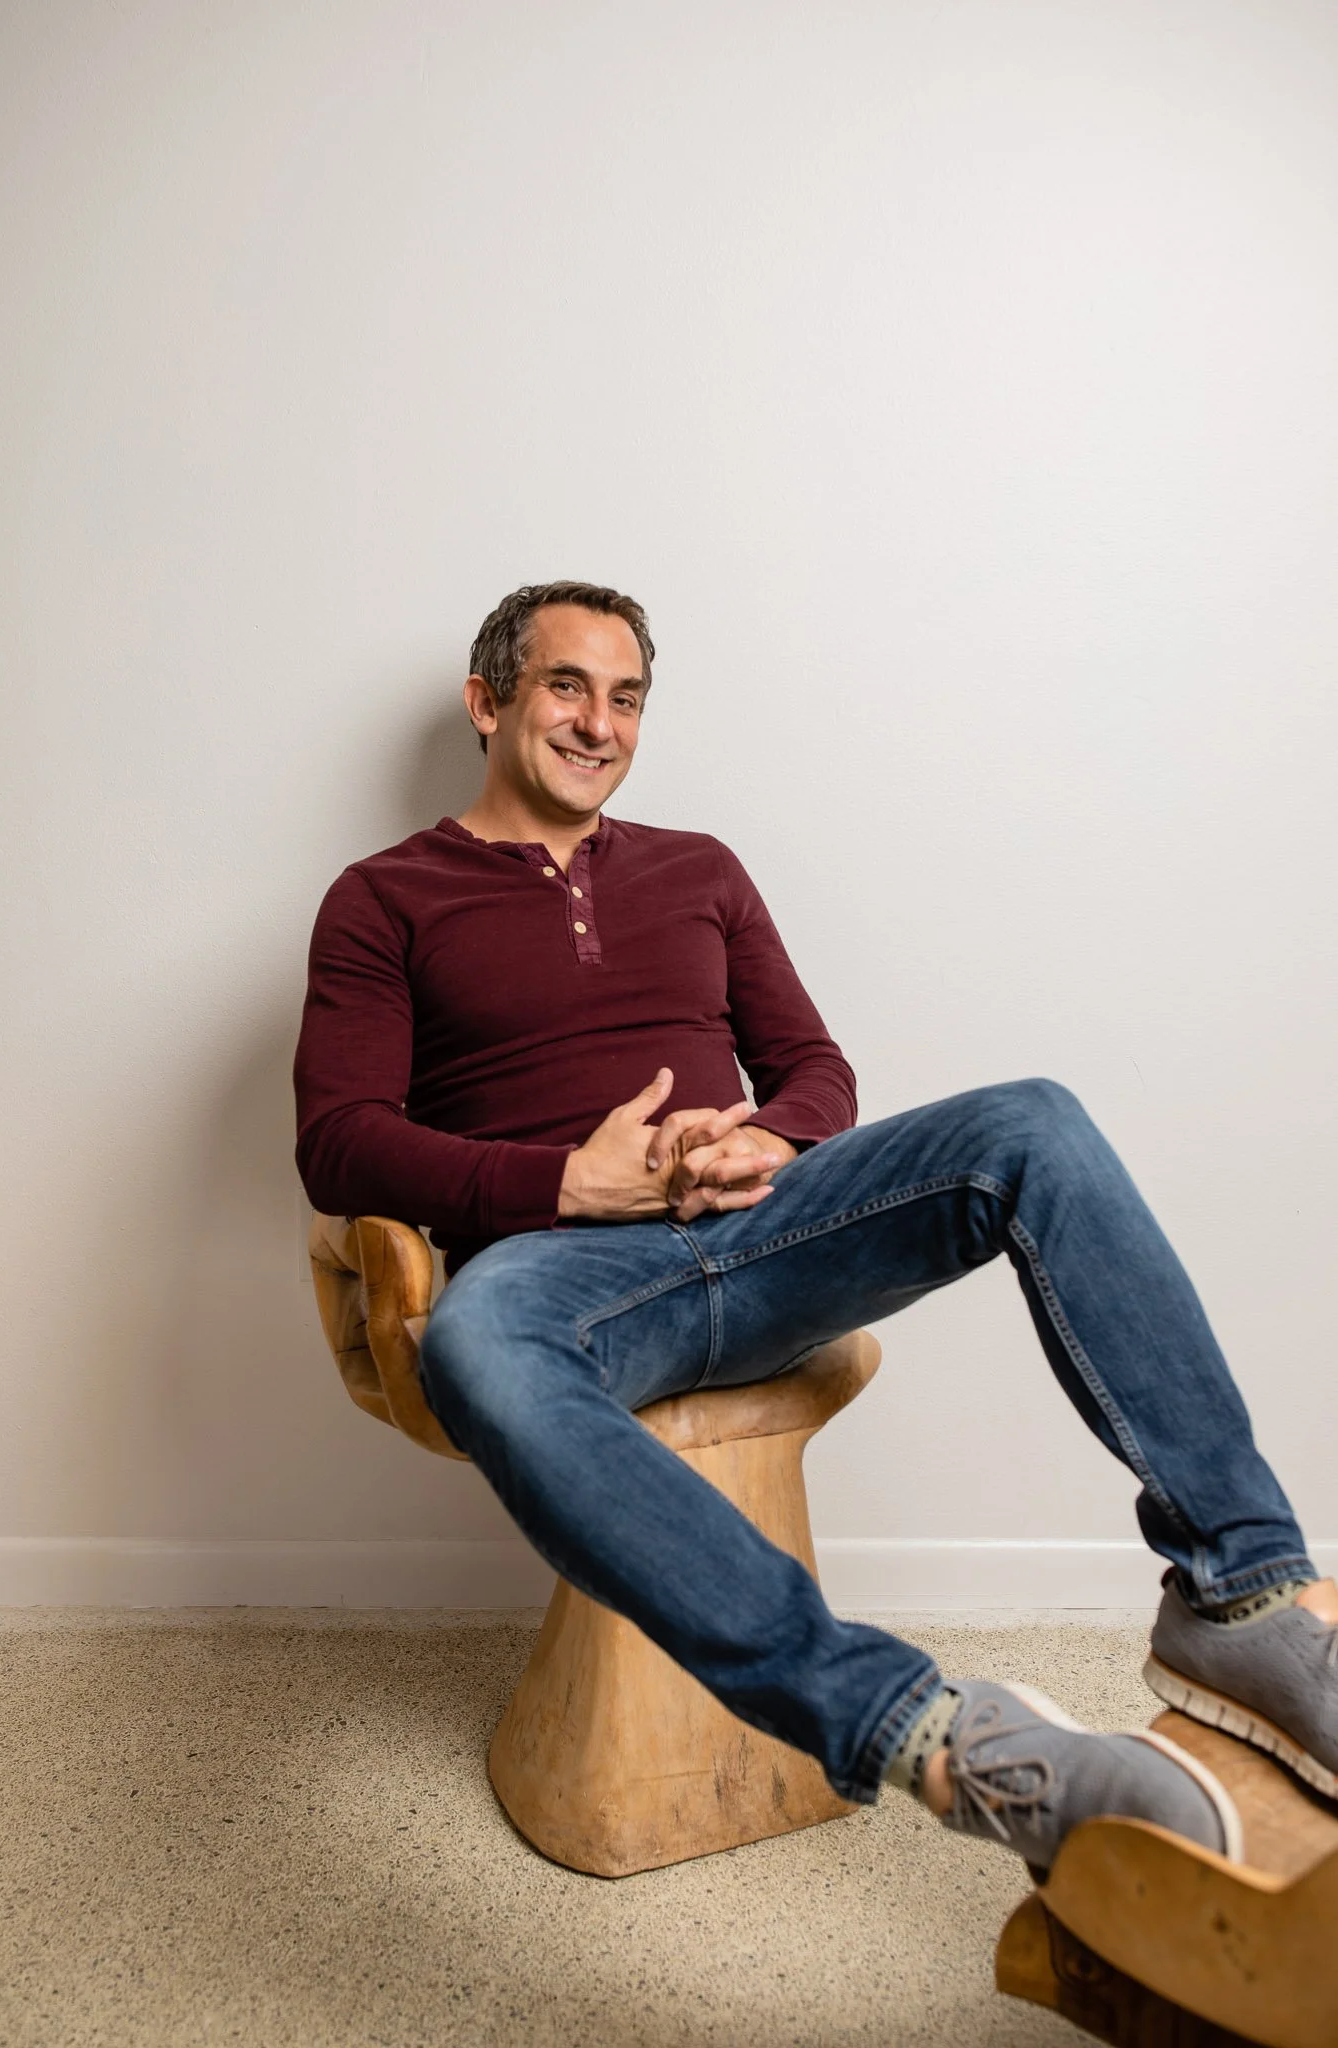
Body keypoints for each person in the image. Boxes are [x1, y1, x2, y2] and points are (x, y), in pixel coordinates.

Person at [294, 579, 1337, 1874]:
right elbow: (337, 1141)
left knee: (1033, 1124)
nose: (599, 724)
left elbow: (811, 1069)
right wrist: (570, 1184)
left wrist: (767, 1137)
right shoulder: (385, 898)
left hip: (767, 1235)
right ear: (489, 701)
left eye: (627, 698)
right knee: (475, 1337)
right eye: (568, 686)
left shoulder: (700, 870)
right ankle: (935, 1737)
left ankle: (1243, 1592)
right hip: (566, 1283)